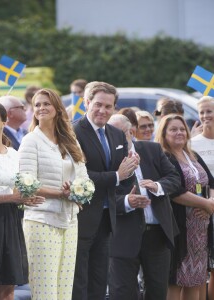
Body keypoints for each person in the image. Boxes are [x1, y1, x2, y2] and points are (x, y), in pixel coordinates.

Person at [18, 88, 89, 299]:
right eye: (37, 105)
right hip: (41, 221)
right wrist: (60, 193)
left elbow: (84, 179)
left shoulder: (70, 141)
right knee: (46, 291)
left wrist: (77, 194)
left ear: (57, 109)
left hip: (70, 220)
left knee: (64, 291)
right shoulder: (31, 141)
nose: (41, 108)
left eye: (46, 104)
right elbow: (25, 183)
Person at [72, 81, 139, 300]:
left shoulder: (117, 135)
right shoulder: (73, 132)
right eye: (98, 104)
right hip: (81, 216)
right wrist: (118, 175)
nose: (103, 110)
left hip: (107, 217)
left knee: (100, 280)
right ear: (87, 102)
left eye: (108, 107)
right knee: (79, 281)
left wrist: (129, 171)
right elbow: (79, 176)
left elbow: (122, 180)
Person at [108, 114, 181, 300]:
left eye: (118, 134)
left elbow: (174, 178)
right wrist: (126, 202)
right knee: (122, 293)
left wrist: (157, 186)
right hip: (123, 235)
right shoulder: (106, 158)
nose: (113, 139)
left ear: (131, 132)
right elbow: (101, 196)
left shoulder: (152, 149)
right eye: (109, 134)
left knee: (157, 291)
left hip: (157, 234)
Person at [0, 102, 44, 300]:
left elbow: (19, 188)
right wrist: (10, 197)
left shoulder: (15, 154)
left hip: (13, 220)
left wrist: (25, 199)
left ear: (4, 122)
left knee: (9, 285)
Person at [155, 114, 214, 300]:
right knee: (176, 280)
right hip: (180, 229)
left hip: (201, 229)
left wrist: (210, 202)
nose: (179, 132)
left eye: (182, 129)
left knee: (196, 280)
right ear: (164, 134)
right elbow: (174, 191)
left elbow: (211, 183)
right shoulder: (164, 157)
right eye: (173, 129)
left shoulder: (192, 155)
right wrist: (205, 204)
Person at [191, 96, 214, 299]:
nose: (206, 116)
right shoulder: (193, 144)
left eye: (210, 111)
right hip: (203, 210)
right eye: (202, 112)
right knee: (204, 267)